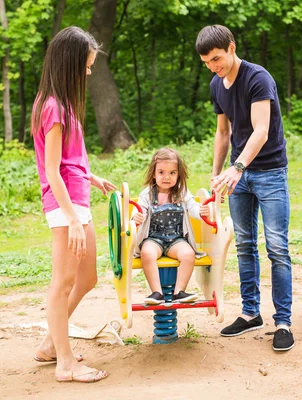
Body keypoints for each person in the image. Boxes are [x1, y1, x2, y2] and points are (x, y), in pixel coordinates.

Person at [196, 25, 294, 351]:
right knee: (244, 245)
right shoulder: (215, 84)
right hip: (239, 176)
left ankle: (283, 321)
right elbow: (223, 133)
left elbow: (261, 130)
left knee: (277, 247)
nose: (213, 66)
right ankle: (251, 313)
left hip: (268, 173)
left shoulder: (257, 78)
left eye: (217, 59)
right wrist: (217, 175)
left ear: (232, 47)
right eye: (207, 62)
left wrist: (237, 168)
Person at [30, 26, 115, 383]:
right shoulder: (52, 107)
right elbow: (51, 170)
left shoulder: (64, 104)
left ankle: (51, 344)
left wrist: (91, 177)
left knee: (87, 278)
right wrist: (73, 220)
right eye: (86, 65)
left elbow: (69, 159)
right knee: (63, 282)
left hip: (77, 198)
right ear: (70, 63)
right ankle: (64, 363)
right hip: (65, 206)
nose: (89, 71)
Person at [131, 148, 210, 305]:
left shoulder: (182, 193)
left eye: (172, 173)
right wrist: (136, 217)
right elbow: (140, 209)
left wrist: (201, 212)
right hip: (153, 239)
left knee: (188, 254)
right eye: (161, 172)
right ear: (153, 173)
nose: (167, 177)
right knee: (147, 252)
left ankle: (179, 292)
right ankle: (156, 292)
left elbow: (193, 208)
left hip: (176, 239)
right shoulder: (147, 194)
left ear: (178, 175)